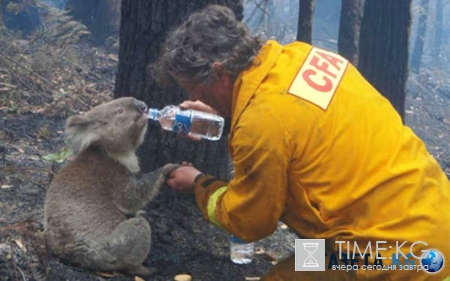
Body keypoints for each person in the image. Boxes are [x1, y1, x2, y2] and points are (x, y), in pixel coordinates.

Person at [155, 4, 450, 280]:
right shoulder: (299, 57)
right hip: (434, 221)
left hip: (394, 257)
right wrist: (225, 115)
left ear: (219, 73)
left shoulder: (261, 123)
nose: (194, 99)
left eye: (194, 89)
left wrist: (198, 183)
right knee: (298, 265)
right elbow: (290, 129)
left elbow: (249, 221)